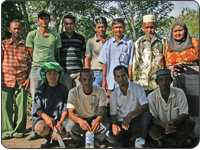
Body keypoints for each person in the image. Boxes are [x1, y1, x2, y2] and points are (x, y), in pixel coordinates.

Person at [26, 10, 62, 140]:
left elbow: (56, 53)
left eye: (46, 18)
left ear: (49, 21)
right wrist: (38, 64)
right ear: (38, 21)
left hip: (51, 69)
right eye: (41, 18)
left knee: (53, 95)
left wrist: (53, 70)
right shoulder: (32, 35)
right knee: (36, 97)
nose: (44, 21)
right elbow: (31, 52)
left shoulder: (55, 35)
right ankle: (35, 130)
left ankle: (52, 126)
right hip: (36, 69)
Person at [164, 20, 199, 147]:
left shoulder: (195, 43)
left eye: (180, 30)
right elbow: (165, 63)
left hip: (193, 80)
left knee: (194, 107)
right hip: (175, 81)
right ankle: (180, 136)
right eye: (175, 31)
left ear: (185, 30)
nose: (178, 33)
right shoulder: (168, 46)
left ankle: (195, 136)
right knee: (177, 108)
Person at [106, 65, 152, 148]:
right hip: (122, 123)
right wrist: (114, 125)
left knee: (147, 115)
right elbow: (113, 114)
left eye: (123, 75)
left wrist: (131, 114)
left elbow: (145, 106)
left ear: (128, 75)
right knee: (110, 136)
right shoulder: (114, 95)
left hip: (136, 121)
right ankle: (125, 140)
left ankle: (140, 139)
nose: (121, 79)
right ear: (115, 79)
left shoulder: (137, 88)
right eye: (118, 76)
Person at [148, 69, 195, 148]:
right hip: (161, 126)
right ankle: (161, 142)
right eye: (161, 80)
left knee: (190, 123)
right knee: (153, 132)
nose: (164, 83)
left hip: (176, 125)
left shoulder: (179, 93)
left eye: (166, 79)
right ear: (157, 82)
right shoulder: (152, 97)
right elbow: (152, 117)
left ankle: (175, 143)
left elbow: (184, 113)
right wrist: (163, 125)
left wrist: (173, 122)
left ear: (171, 81)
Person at [65, 69, 110, 148]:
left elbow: (103, 111)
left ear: (94, 79)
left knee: (106, 123)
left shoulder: (101, 91)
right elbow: (71, 113)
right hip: (79, 118)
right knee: (69, 126)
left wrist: (98, 120)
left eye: (90, 79)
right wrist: (80, 121)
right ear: (79, 80)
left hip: (94, 118)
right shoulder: (73, 92)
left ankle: (97, 140)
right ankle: (76, 140)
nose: (87, 82)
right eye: (84, 79)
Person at [2, 20, 32, 139]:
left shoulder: (26, 46)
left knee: (21, 105)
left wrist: (28, 78)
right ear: (10, 30)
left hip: (22, 79)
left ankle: (19, 130)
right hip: (5, 78)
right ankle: (6, 130)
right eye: (14, 28)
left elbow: (30, 63)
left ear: (22, 30)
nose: (16, 31)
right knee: (5, 105)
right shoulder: (3, 44)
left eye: (19, 28)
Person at [98, 18, 134, 106]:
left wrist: (129, 79)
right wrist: (104, 80)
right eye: (116, 27)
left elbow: (130, 63)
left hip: (124, 80)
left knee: (124, 103)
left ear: (124, 28)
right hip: (110, 80)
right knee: (109, 103)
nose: (118, 30)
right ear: (112, 29)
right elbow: (104, 63)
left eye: (120, 27)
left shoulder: (129, 43)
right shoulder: (108, 43)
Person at [32, 62, 68, 148]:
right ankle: (47, 137)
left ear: (59, 74)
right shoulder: (40, 89)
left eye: (55, 73)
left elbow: (66, 108)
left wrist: (60, 122)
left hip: (59, 121)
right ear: (45, 75)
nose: (52, 76)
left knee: (59, 134)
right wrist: (47, 118)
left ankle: (55, 139)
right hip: (44, 120)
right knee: (40, 128)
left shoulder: (64, 89)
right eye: (49, 73)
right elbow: (38, 109)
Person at [132, 14, 168, 96]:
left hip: (158, 84)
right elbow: (135, 64)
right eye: (146, 27)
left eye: (151, 27)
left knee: (158, 107)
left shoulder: (163, 42)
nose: (149, 30)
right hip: (142, 84)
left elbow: (166, 63)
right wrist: (134, 83)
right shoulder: (138, 43)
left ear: (156, 26)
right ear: (142, 28)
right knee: (143, 107)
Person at [59, 15, 86, 91]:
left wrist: (84, 70)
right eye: (66, 24)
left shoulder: (80, 38)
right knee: (66, 96)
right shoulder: (59, 37)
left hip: (78, 73)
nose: (69, 26)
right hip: (65, 73)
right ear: (63, 25)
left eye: (71, 24)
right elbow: (56, 54)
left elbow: (84, 55)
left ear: (74, 24)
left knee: (79, 95)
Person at [85, 17, 110, 87]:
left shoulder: (111, 41)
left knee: (109, 95)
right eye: (98, 27)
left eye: (103, 27)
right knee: (96, 95)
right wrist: (88, 74)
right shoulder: (90, 41)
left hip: (109, 73)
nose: (101, 29)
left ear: (106, 27)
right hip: (95, 72)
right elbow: (87, 58)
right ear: (95, 28)